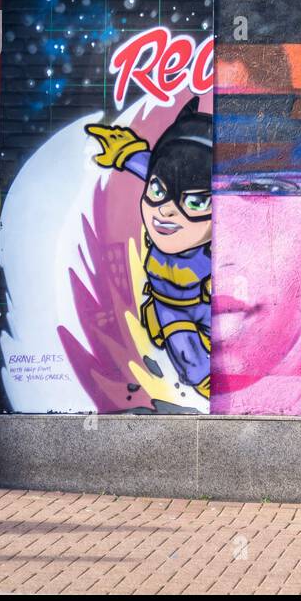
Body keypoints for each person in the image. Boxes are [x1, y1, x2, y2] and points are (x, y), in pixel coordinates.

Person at [85, 98, 213, 398]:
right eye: (156, 191)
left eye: (195, 202)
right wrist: (126, 153)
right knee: (192, 364)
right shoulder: (163, 177)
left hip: (208, 303)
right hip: (169, 307)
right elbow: (150, 167)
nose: (165, 211)